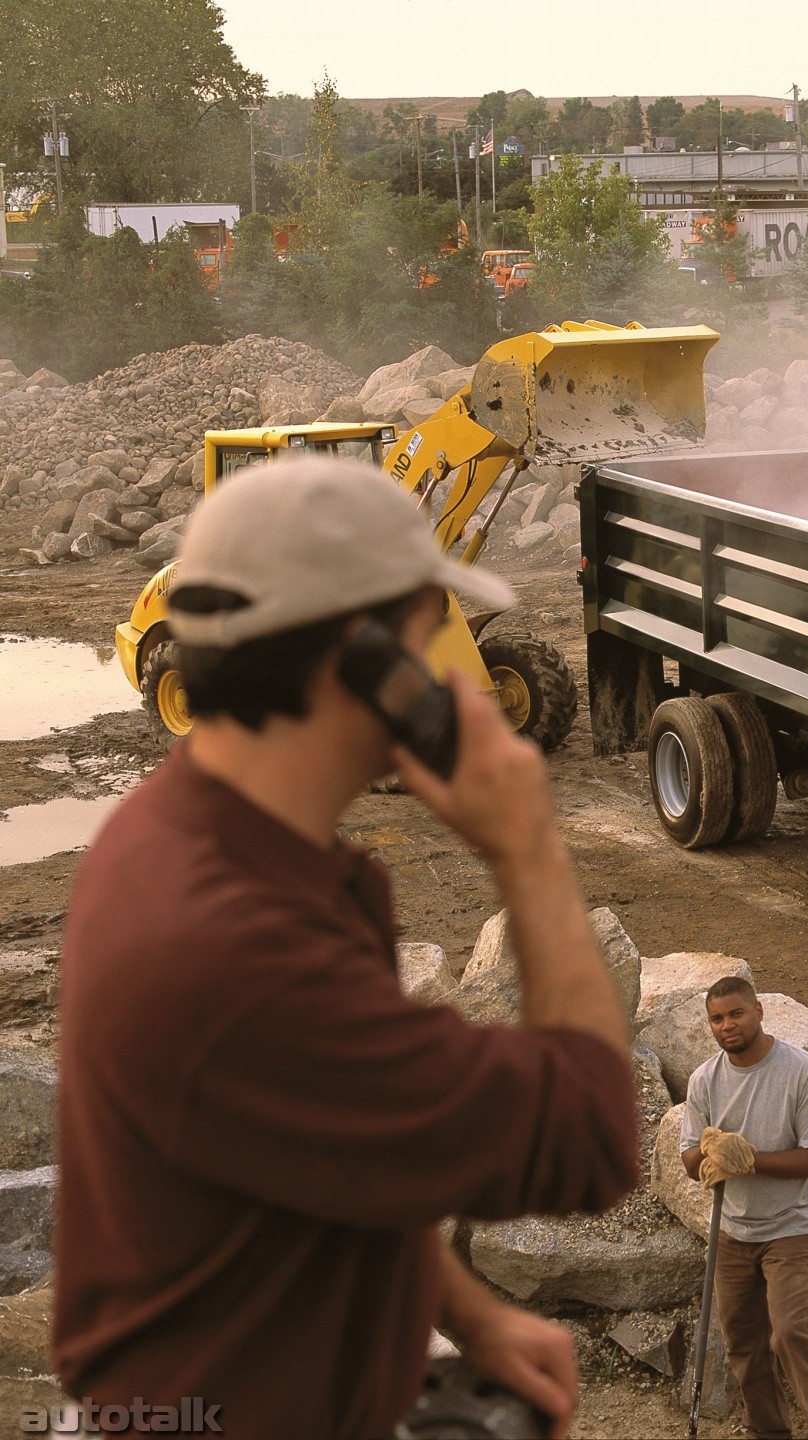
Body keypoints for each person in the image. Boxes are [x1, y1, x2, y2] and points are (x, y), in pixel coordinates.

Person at [54, 457, 640, 1439]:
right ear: (363, 659)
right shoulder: (236, 955)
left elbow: (336, 1157)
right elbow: (589, 1136)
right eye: (428, 628)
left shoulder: (196, 837)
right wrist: (527, 844)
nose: (444, 663)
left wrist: (468, 1315)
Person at [679, 978, 808, 1440]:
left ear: (758, 1011)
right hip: (732, 1231)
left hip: (792, 1226)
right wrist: (710, 1151)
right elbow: (689, 1161)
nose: (727, 1025)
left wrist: (750, 1159)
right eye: (717, 1018)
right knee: (742, 1340)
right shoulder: (705, 1080)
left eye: (736, 1013)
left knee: (791, 1330)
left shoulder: (801, 1072)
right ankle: (768, 1430)